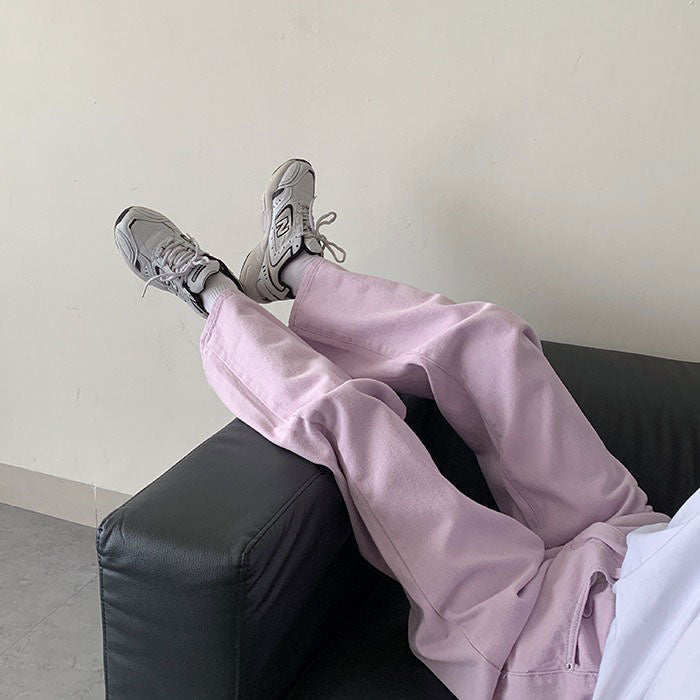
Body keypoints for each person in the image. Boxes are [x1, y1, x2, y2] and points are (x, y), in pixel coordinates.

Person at [113, 159, 699, 700]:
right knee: (495, 340)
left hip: (569, 651)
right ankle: (294, 267)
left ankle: (213, 294)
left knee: (359, 425)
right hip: (642, 542)